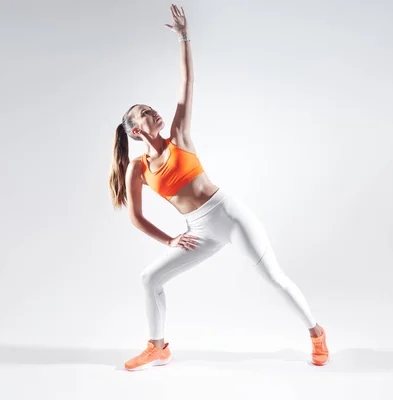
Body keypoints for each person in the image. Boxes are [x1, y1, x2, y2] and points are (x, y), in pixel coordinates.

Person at [108, 4, 329, 372]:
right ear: (135, 131)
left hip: (228, 215)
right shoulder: (138, 168)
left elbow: (186, 84)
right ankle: (158, 347)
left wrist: (184, 37)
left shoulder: (179, 136)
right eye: (144, 112)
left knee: (273, 277)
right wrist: (169, 240)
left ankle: (316, 333)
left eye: (151, 108)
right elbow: (136, 217)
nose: (153, 112)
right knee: (150, 278)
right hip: (199, 232)